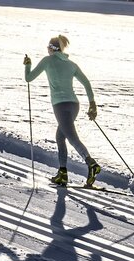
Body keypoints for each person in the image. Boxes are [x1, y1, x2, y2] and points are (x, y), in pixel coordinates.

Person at [23, 35, 101, 187]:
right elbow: (86, 83)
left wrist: (27, 65)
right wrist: (92, 104)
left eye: (48, 47)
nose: (47, 49)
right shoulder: (71, 64)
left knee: (72, 138)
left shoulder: (47, 61)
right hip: (74, 105)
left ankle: (92, 164)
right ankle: (62, 173)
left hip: (60, 105)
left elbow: (29, 78)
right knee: (60, 136)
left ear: (53, 48)